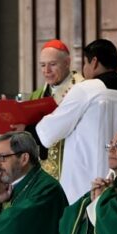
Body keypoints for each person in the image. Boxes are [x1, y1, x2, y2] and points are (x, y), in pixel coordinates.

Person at [35, 39, 117, 203]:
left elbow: (49, 133)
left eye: (85, 64)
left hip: (86, 186)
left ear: (94, 62)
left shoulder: (86, 89)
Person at [29, 39, 84, 179]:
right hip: (42, 169)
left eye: (52, 64)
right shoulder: (36, 96)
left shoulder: (82, 90)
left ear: (67, 62)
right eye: (42, 65)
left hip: (72, 167)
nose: (46, 71)